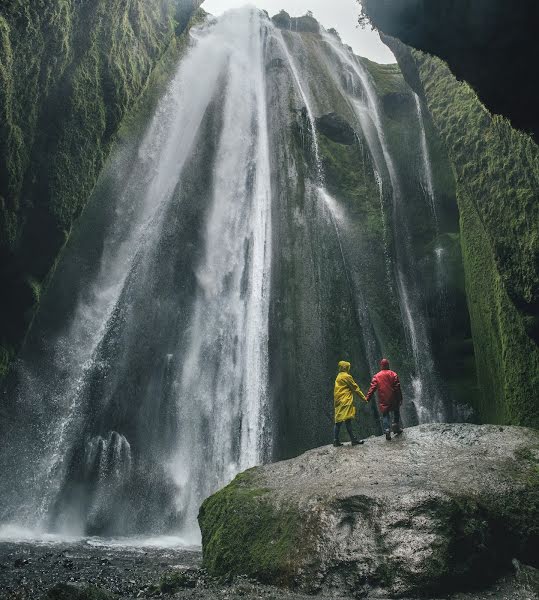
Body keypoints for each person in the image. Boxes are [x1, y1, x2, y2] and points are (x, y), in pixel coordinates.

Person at [365, 358, 403, 441]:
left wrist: (367, 398)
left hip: (383, 398)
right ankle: (396, 426)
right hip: (393, 397)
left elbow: (372, 388)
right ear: (388, 365)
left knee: (385, 414)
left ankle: (387, 430)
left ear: (381, 366)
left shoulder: (376, 376)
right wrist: (400, 398)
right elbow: (397, 387)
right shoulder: (393, 374)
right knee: (396, 410)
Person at [333, 360, 367, 447]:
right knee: (348, 421)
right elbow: (355, 388)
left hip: (338, 401)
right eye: (347, 367)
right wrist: (364, 398)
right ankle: (353, 440)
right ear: (345, 367)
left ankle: (336, 440)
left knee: (338, 422)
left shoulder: (338, 376)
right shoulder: (347, 376)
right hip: (346, 401)